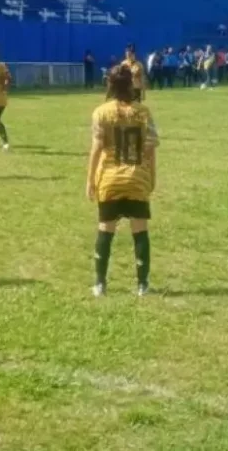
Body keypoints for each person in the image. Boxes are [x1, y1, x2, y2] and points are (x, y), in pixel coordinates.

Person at [86, 65, 159, 297]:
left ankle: (100, 284)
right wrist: (151, 177)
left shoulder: (100, 113)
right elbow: (150, 150)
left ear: (109, 84)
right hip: (136, 178)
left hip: (110, 180)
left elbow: (97, 149)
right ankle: (142, 284)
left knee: (105, 230)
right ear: (130, 84)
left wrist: (90, 180)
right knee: (140, 230)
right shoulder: (143, 113)